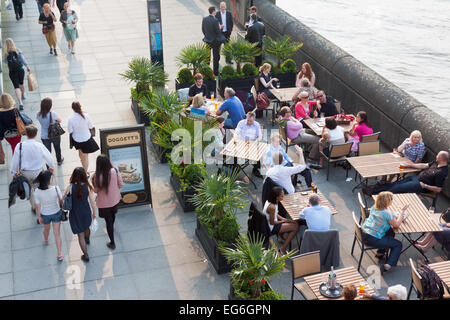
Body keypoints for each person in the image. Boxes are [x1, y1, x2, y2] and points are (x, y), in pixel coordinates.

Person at [11, 125, 55, 213]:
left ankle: (34, 207)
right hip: (38, 172)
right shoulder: (39, 145)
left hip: (25, 173)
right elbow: (49, 157)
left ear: (26, 134)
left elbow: (15, 160)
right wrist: (51, 167)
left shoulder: (19, 146)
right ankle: (41, 206)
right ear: (36, 134)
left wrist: (13, 173)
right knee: (39, 189)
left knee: (30, 191)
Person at [361, 191, 407, 272]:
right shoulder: (386, 213)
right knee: (398, 244)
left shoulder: (374, 207)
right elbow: (396, 225)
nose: (392, 201)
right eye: (391, 199)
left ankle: (380, 252)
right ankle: (387, 266)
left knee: (390, 231)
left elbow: (387, 217)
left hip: (364, 233)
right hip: (372, 239)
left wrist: (396, 216)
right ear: (388, 202)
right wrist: (402, 212)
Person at [370, 151, 449, 195]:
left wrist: (425, 186)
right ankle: (374, 189)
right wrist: (410, 165)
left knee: (396, 189)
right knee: (395, 184)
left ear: (441, 159)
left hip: (421, 185)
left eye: (437, 156)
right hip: (416, 178)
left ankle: (375, 193)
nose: (436, 157)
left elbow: (438, 189)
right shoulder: (436, 163)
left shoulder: (442, 172)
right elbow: (424, 165)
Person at [64, 167, 96, 262]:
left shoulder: (70, 187)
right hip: (86, 212)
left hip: (75, 214)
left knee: (80, 235)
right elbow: (92, 202)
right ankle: (88, 239)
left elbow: (63, 199)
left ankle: (85, 255)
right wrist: (94, 213)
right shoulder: (88, 187)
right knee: (87, 227)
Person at [91, 155, 123, 250]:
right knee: (112, 216)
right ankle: (111, 228)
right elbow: (120, 184)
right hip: (115, 200)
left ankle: (112, 242)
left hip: (104, 204)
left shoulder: (96, 176)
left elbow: (96, 191)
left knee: (108, 221)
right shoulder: (115, 171)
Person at [34, 170, 64, 261]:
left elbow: (37, 206)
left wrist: (39, 217)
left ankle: (46, 240)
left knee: (46, 229)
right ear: (48, 180)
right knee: (57, 234)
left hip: (45, 214)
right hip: (56, 213)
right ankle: (59, 254)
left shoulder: (37, 192)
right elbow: (61, 200)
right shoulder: (56, 188)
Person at [263, 187, 299, 255]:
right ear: (276, 197)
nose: (284, 196)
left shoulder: (269, 201)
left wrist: (283, 219)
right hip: (271, 227)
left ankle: (280, 237)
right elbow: (272, 222)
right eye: (282, 196)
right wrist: (283, 221)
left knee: (294, 222)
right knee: (295, 227)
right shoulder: (272, 207)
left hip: (270, 223)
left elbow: (275, 214)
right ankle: (283, 249)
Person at [67, 102, 99, 174]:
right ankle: (85, 171)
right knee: (85, 156)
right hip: (86, 138)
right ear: (80, 106)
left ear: (72, 108)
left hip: (77, 139)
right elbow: (91, 126)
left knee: (81, 155)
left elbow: (70, 130)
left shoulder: (71, 119)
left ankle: (84, 170)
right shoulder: (86, 116)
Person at [4, 38, 31, 110]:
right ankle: (23, 94)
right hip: (20, 70)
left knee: (16, 87)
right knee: (21, 83)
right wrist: (27, 66)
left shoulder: (6, 54)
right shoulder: (17, 51)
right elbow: (22, 59)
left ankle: (20, 102)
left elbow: (5, 62)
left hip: (12, 72)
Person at [234, 112, 263, 178]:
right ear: (246, 118)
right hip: (241, 142)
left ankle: (255, 169)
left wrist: (256, 141)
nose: (249, 122)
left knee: (257, 153)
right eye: (248, 120)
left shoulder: (256, 125)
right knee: (233, 153)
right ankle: (235, 168)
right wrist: (236, 138)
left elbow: (260, 136)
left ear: (254, 119)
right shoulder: (241, 123)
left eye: (251, 121)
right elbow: (236, 132)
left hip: (252, 142)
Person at [36, 98, 64, 166]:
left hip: (44, 136)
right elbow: (60, 120)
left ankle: (49, 166)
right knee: (57, 148)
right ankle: (59, 160)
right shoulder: (53, 114)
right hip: (55, 134)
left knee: (47, 152)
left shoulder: (38, 114)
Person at [202, 6, 226, 76]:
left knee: (207, 56)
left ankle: (206, 71)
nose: (216, 12)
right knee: (216, 57)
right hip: (215, 41)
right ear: (213, 11)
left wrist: (207, 36)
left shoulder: (204, 19)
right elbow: (217, 32)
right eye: (215, 11)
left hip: (207, 40)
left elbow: (203, 29)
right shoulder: (215, 20)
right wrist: (220, 28)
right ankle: (215, 72)